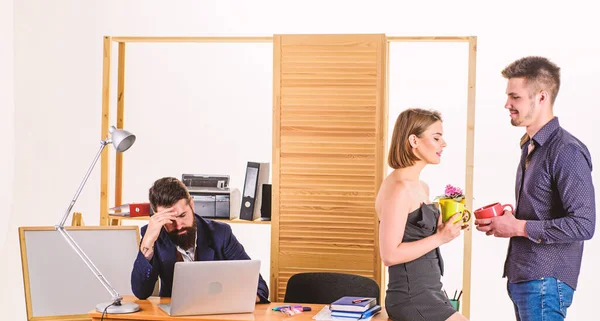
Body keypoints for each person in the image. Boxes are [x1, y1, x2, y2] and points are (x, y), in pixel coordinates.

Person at [474, 56, 595, 321]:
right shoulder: (530, 145)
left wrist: (517, 227)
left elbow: (584, 224)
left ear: (541, 97)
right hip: (527, 277)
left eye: (514, 97)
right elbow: (543, 212)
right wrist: (506, 221)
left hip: (544, 281)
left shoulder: (566, 150)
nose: (507, 104)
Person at [376, 108, 469, 321]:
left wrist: (447, 228)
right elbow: (389, 255)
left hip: (432, 292)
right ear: (414, 141)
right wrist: (440, 237)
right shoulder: (398, 188)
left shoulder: (421, 187)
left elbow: (416, 235)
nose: (443, 144)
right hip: (410, 298)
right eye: (436, 138)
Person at [131, 176, 269, 303]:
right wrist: (148, 242)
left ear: (192, 204)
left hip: (215, 311)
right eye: (170, 220)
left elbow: (259, 286)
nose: (178, 226)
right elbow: (141, 292)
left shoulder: (220, 234)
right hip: (173, 314)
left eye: (183, 215)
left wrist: (235, 300)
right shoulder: (154, 237)